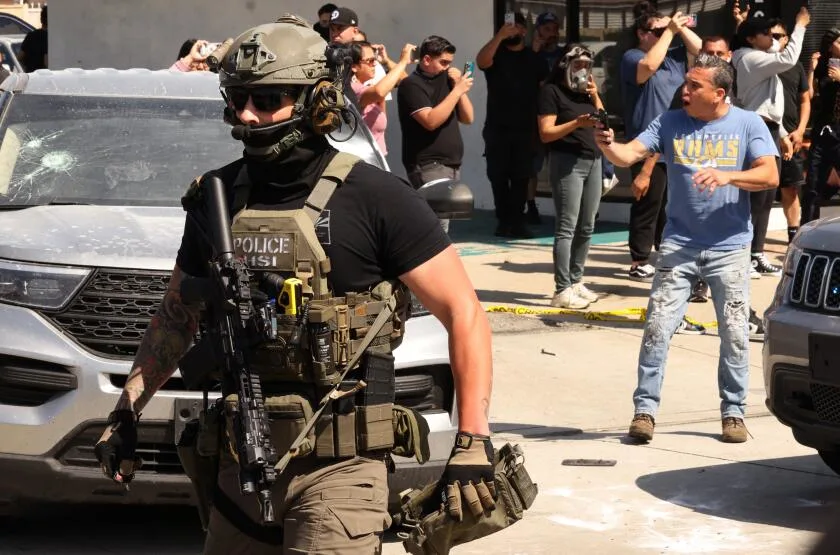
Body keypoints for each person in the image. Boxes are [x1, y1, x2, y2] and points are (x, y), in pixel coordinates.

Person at [92, 15, 494, 553]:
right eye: (238, 98)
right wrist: (125, 412)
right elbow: (176, 315)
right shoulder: (216, 198)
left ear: (318, 100)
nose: (247, 114)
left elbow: (464, 313)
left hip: (340, 472)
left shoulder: (377, 198)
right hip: (239, 464)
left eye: (267, 99)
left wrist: (473, 439)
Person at [595, 54, 779, 444]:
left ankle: (733, 414)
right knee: (657, 328)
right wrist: (608, 146)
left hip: (730, 248)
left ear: (720, 93)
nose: (686, 90)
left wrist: (728, 176)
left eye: (695, 85)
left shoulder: (748, 123)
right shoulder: (670, 122)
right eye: (686, 83)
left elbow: (770, 174)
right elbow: (628, 154)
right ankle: (644, 411)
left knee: (734, 333)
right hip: (678, 246)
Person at [620, 10, 701, 282]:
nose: (663, 35)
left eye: (664, 31)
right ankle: (639, 260)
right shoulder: (632, 56)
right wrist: (669, 32)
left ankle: (664, 255)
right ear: (641, 34)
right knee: (647, 202)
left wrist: (677, 27)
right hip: (645, 142)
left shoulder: (674, 57)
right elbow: (647, 69)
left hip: (675, 143)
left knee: (671, 206)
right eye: (655, 32)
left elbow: (701, 49)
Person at [731, 8, 810, 277]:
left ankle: (756, 253)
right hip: (756, 127)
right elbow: (788, 56)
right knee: (755, 195)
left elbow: (769, 104)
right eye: (766, 34)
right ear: (751, 39)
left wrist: (783, 134)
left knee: (766, 194)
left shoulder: (758, 53)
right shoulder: (750, 58)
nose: (773, 38)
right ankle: (743, 255)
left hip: (771, 128)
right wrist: (800, 25)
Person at [537, 44, 603, 309]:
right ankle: (562, 289)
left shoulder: (585, 92)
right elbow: (546, 133)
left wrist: (595, 95)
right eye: (578, 65)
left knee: (587, 226)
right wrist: (576, 123)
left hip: (593, 159)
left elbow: (602, 118)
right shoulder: (550, 91)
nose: (582, 70)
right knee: (567, 227)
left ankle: (576, 281)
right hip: (567, 162)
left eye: (586, 65)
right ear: (565, 65)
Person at [477, 12, 548, 239]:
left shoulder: (534, 59)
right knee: (497, 176)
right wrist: (499, 36)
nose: (511, 30)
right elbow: (481, 61)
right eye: (507, 26)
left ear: (524, 30)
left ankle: (517, 222)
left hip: (525, 128)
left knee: (521, 177)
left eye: (516, 26)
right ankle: (503, 220)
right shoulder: (496, 54)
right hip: (497, 128)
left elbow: (544, 89)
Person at [397, 35, 474, 199]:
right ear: (426, 60)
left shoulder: (448, 81)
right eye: (443, 62)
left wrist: (458, 85)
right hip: (428, 165)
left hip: (451, 165)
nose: (447, 67)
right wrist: (457, 91)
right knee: (436, 214)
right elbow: (430, 121)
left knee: (447, 214)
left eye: (449, 63)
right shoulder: (411, 84)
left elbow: (468, 118)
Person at [775, 22, 813, 245]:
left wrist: (800, 130)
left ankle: (792, 237)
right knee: (758, 190)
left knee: (790, 189)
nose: (774, 39)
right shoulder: (759, 63)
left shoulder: (796, 66)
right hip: (765, 135)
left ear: (787, 39)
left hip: (792, 137)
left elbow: (805, 100)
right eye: (770, 35)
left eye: (778, 35)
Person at [801, 28, 840, 225]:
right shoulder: (823, 67)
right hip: (822, 131)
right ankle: (806, 230)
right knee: (813, 186)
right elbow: (808, 96)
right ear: (830, 46)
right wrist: (812, 70)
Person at [349, 40, 414, 154]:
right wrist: (403, 61)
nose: (374, 64)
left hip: (378, 157)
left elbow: (407, 84)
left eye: (374, 60)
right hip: (364, 158)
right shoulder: (353, 89)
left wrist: (386, 61)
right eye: (370, 61)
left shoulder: (368, 88)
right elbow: (379, 92)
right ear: (354, 67)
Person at [19, 5, 47, 72]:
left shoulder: (31, 35)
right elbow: (47, 63)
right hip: (44, 76)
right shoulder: (51, 37)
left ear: (41, 19)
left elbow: (20, 57)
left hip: (31, 75)